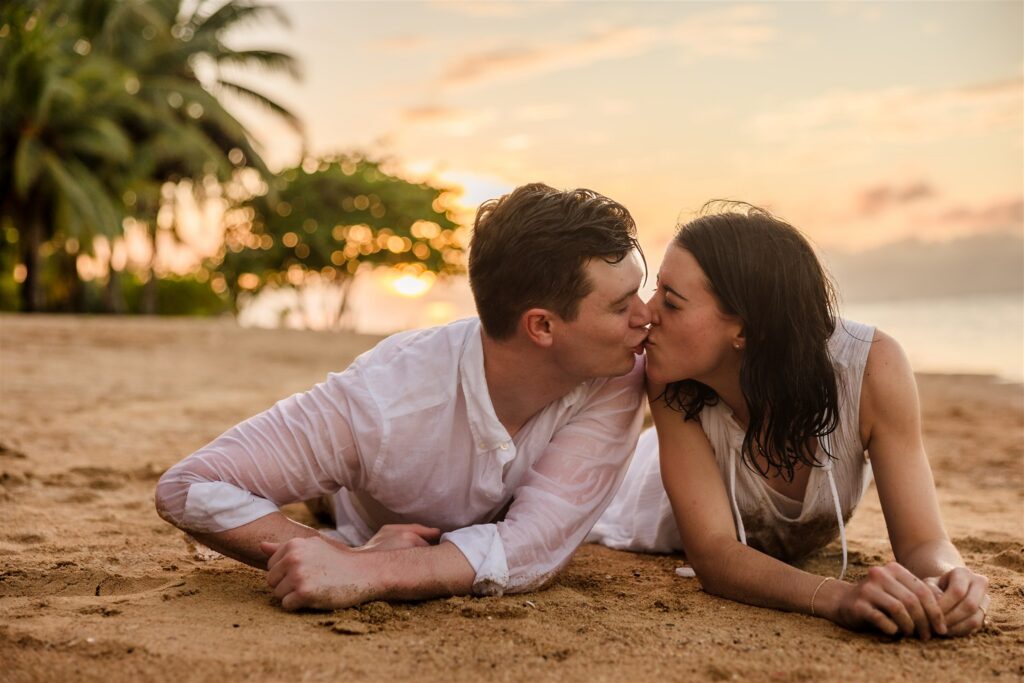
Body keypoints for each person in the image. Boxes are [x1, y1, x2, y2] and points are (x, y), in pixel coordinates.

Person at [156, 183, 651, 610]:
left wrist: (371, 570)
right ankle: (329, 490)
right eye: (621, 305)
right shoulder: (385, 398)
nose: (645, 316)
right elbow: (189, 487)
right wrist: (330, 552)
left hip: (434, 516)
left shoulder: (616, 373)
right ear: (542, 325)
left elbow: (534, 548)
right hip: (360, 499)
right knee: (333, 479)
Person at [588, 202, 990, 639]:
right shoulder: (671, 382)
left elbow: (922, 541)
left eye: (671, 300)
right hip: (629, 489)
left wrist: (952, 580)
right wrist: (840, 597)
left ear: (747, 331)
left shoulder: (872, 369)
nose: (647, 313)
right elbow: (714, 555)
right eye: (656, 290)